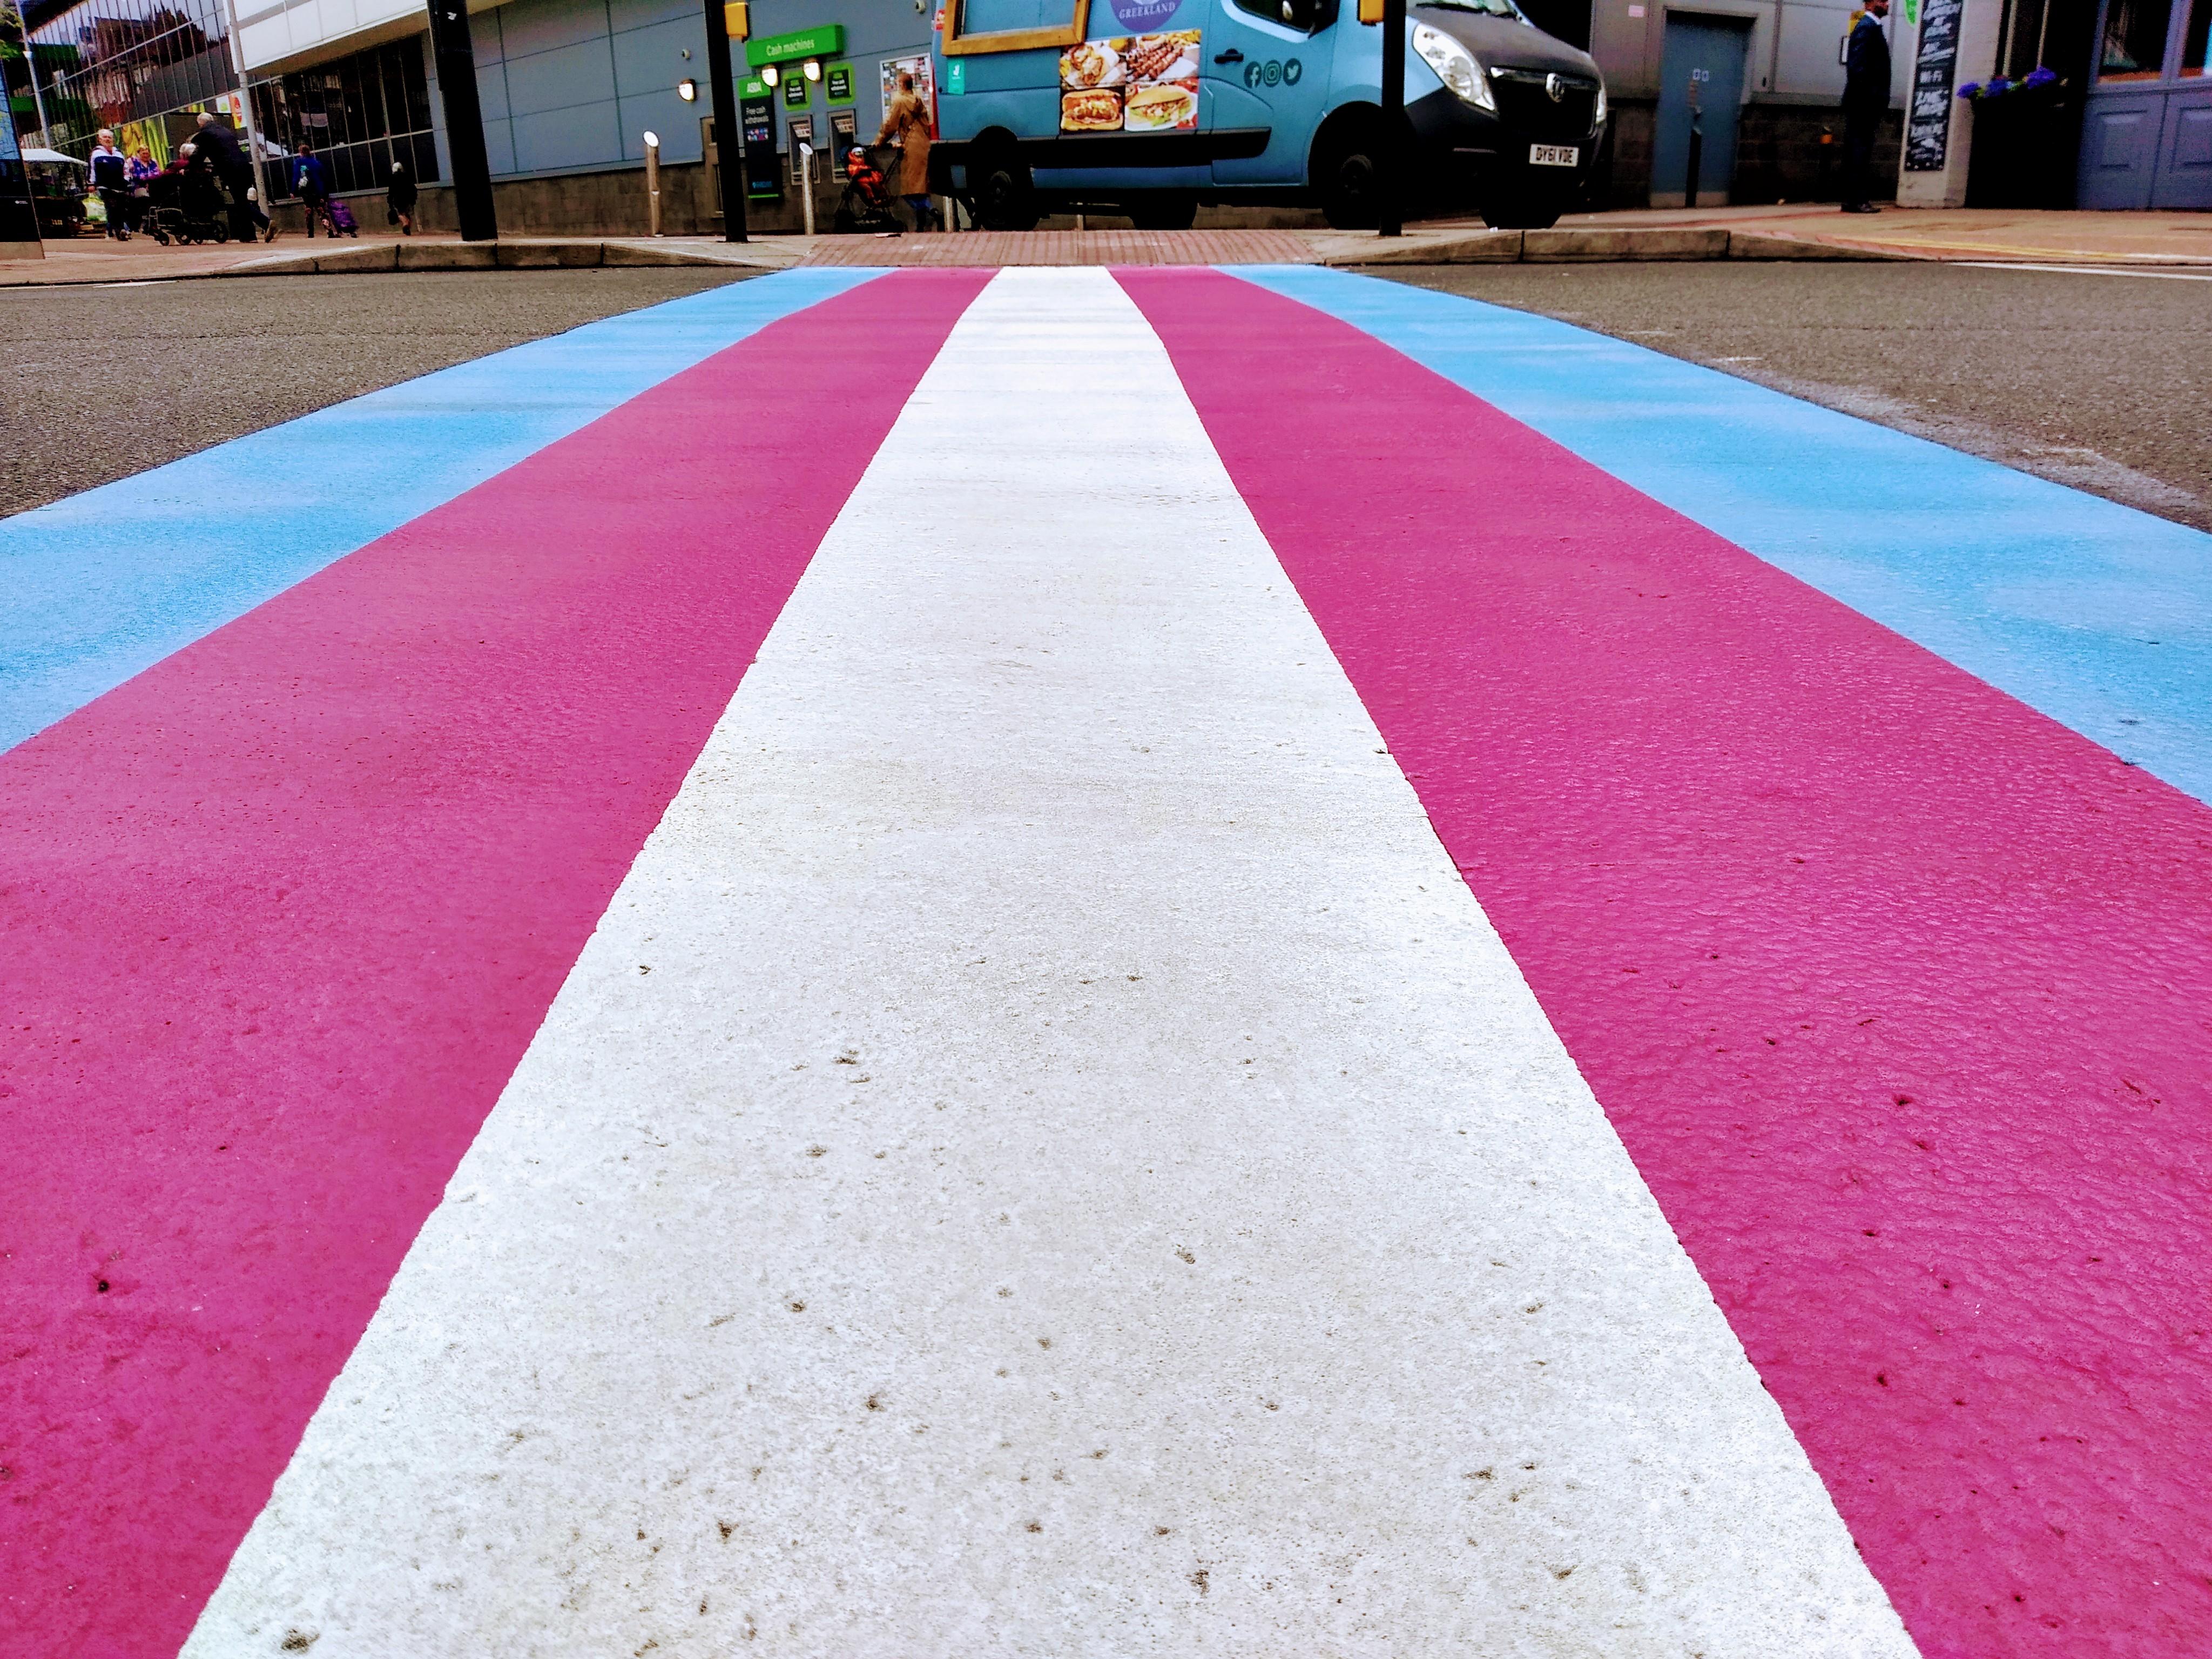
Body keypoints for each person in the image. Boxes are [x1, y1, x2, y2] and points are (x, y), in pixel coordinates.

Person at [1840, 0, 1892, 214]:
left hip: (1864, 102)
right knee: (1859, 150)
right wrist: (1870, 97)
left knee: (1859, 149)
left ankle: (1855, 199)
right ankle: (1856, 200)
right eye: (1883, 0)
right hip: (1863, 103)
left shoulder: (1871, 27)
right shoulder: (1866, 28)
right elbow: (1857, 67)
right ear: (1870, 4)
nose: (1888, 4)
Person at [191, 110, 274, 242]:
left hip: (231, 170)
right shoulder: (225, 131)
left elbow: (199, 156)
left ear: (201, 124)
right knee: (242, 201)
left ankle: (266, 223)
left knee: (241, 202)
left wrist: (189, 167)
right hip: (244, 166)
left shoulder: (205, 135)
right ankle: (249, 236)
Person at [875, 71, 935, 232]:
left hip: (911, 146)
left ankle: (931, 211)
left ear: (902, 85)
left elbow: (889, 126)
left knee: (908, 192)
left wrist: (879, 142)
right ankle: (921, 225)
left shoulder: (900, 101)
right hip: (924, 144)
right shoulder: (918, 101)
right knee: (920, 188)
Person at [86, 128, 130, 240]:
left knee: (120, 209)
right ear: (100, 140)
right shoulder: (96, 154)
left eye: (109, 137)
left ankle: (111, 230)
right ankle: (120, 231)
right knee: (112, 207)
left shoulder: (119, 153)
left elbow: (126, 169)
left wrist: (127, 180)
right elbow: (92, 169)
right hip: (105, 186)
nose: (107, 140)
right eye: (105, 137)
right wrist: (91, 183)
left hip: (120, 186)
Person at [291, 141, 333, 235]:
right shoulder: (316, 162)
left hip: (305, 188)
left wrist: (293, 191)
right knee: (321, 210)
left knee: (309, 209)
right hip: (318, 189)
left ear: (301, 152)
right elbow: (324, 177)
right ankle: (329, 231)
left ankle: (311, 233)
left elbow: (296, 176)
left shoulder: (299, 162)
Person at [386, 156, 418, 235]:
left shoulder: (393, 179)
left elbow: (391, 192)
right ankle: (408, 228)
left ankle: (405, 225)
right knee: (408, 214)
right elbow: (413, 188)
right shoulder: (407, 177)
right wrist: (414, 198)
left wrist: (390, 201)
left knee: (400, 214)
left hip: (398, 199)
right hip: (409, 199)